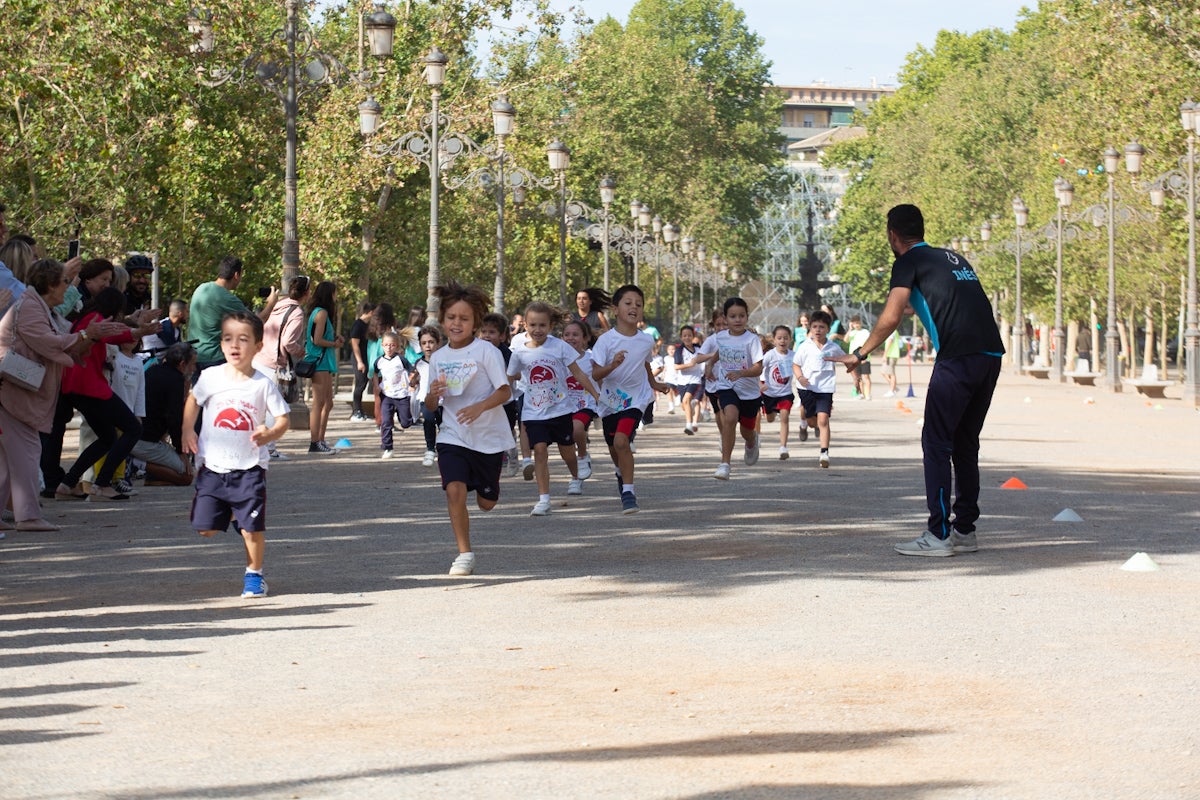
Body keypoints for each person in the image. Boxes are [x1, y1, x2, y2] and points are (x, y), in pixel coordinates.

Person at [828, 204, 1004, 557]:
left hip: (957, 359)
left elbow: (893, 315)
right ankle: (965, 531)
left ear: (893, 236)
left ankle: (938, 535)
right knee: (966, 444)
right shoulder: (954, 258)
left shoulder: (906, 262)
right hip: (990, 356)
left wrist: (859, 354)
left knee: (937, 444)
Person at [0, 259, 124, 531]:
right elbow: (48, 342)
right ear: (50, 285)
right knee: (27, 452)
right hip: (13, 391)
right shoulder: (32, 306)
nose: (69, 288)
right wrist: (84, 336)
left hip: (17, 391)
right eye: (65, 282)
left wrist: (89, 336)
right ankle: (28, 516)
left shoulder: (38, 305)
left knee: (10, 457)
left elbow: (63, 338)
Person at [183, 311, 291, 598]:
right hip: (213, 468)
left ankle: (254, 576)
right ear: (220, 344)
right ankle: (233, 515)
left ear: (257, 347)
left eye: (243, 339)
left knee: (252, 529)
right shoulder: (210, 377)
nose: (235, 345)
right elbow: (193, 401)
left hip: (250, 467)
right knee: (204, 528)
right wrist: (186, 430)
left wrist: (270, 434)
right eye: (228, 339)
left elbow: (283, 419)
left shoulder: (262, 383)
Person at [425, 281, 513, 577]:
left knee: (487, 504)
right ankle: (464, 554)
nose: (457, 323)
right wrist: (433, 395)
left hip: (488, 439)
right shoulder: (437, 358)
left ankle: (488, 481)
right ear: (442, 320)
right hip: (453, 434)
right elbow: (430, 405)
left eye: (464, 318)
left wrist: (479, 407)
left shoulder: (486, 351)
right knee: (454, 491)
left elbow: (505, 392)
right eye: (451, 318)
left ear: (475, 322)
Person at [50, 287, 157, 501]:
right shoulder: (96, 319)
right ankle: (101, 484)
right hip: (89, 386)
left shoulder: (87, 317)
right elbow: (115, 335)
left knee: (108, 437)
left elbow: (114, 332)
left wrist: (136, 326)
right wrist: (139, 331)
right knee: (133, 428)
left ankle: (67, 484)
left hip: (75, 386)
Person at [507, 302, 598, 516]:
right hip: (533, 411)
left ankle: (575, 476)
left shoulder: (559, 346)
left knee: (567, 451)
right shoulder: (519, 351)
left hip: (560, 410)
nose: (537, 330)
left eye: (542, 325)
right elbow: (509, 377)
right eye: (532, 325)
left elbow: (577, 373)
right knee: (540, 450)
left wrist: (595, 394)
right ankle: (543, 499)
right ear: (525, 326)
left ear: (550, 326)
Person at [590, 284, 670, 514]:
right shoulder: (606, 341)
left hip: (635, 400)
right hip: (610, 402)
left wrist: (654, 384)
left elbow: (644, 363)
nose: (634, 307)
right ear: (616, 309)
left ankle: (628, 492)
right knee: (614, 446)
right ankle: (620, 472)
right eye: (628, 303)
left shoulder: (646, 340)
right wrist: (612, 365)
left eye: (638, 304)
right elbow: (595, 375)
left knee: (622, 442)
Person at [699, 297, 764, 481]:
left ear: (747, 317)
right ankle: (725, 464)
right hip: (727, 386)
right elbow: (721, 351)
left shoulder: (752, 340)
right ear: (725, 318)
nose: (737, 320)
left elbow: (759, 368)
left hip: (749, 392)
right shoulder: (721, 336)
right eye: (733, 316)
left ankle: (752, 441)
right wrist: (710, 364)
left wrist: (741, 373)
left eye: (741, 316)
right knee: (730, 417)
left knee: (746, 431)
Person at [188, 255, 277, 373]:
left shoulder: (201, 288)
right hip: (213, 359)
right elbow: (255, 323)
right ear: (236, 275)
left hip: (193, 356)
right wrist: (271, 303)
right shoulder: (227, 298)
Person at [133, 342, 196, 486]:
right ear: (182, 364)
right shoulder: (176, 380)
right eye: (192, 364)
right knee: (186, 476)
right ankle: (135, 463)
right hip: (144, 440)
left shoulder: (153, 370)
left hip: (138, 433)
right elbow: (174, 418)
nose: (193, 369)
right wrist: (181, 451)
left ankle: (151, 476)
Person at [794, 310, 841, 468]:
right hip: (806, 387)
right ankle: (805, 425)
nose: (818, 330)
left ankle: (824, 453)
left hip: (825, 388)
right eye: (815, 326)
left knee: (823, 420)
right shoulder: (805, 346)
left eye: (822, 327)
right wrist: (800, 377)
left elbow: (846, 359)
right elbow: (796, 364)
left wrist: (856, 376)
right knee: (812, 421)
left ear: (828, 329)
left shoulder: (833, 347)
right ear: (810, 329)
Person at [304, 280, 343, 454]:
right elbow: (317, 340)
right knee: (319, 403)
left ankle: (320, 438)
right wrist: (333, 345)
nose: (336, 297)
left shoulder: (319, 313)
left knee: (328, 402)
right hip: (319, 361)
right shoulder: (321, 314)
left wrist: (335, 339)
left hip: (324, 361)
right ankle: (315, 442)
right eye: (334, 293)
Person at [479, 313, 519, 475]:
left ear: (502, 336)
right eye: (484, 332)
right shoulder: (478, 352)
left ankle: (512, 454)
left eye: (492, 332)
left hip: (506, 401)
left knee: (506, 430)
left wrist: (508, 376)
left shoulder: (506, 353)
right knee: (488, 431)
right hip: (486, 400)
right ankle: (493, 458)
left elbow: (516, 373)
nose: (487, 336)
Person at [561, 319, 599, 483]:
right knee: (567, 445)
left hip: (585, 404)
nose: (570, 338)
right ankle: (576, 478)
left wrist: (601, 399)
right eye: (566, 335)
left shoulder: (591, 358)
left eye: (575, 335)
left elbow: (601, 378)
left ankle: (582, 455)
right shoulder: (557, 358)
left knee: (577, 429)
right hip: (562, 406)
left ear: (585, 338)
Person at [375, 331, 413, 459]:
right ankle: (387, 447)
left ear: (396, 346)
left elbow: (412, 371)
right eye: (386, 345)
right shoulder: (379, 361)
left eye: (392, 345)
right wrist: (376, 385)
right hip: (387, 395)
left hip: (402, 394)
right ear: (382, 345)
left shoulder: (401, 360)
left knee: (406, 423)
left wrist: (412, 383)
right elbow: (374, 373)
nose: (388, 348)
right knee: (385, 422)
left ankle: (402, 415)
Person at [408, 325, 442, 468]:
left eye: (431, 342)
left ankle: (443, 449)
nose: (428, 346)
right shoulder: (419, 363)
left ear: (438, 343)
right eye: (424, 343)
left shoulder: (444, 360)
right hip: (424, 398)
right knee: (428, 422)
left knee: (444, 426)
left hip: (443, 401)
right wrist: (413, 381)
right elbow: (414, 379)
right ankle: (429, 449)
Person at [760, 325, 796, 460]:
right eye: (779, 338)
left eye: (786, 338)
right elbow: (757, 369)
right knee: (769, 419)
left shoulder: (793, 356)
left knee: (785, 417)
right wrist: (759, 384)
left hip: (785, 393)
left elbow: (801, 369)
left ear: (790, 340)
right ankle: (771, 412)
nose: (782, 341)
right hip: (769, 393)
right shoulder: (770, 355)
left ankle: (783, 447)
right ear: (774, 340)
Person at [673, 325, 705, 435]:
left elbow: (706, 358)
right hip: (682, 381)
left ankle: (689, 425)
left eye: (689, 335)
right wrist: (689, 364)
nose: (687, 338)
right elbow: (676, 367)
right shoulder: (679, 350)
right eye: (684, 336)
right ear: (681, 337)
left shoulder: (699, 349)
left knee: (686, 400)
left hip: (695, 380)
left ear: (693, 336)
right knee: (684, 405)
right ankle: (693, 413)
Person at [348, 301, 376, 422]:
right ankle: (356, 411)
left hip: (366, 358)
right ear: (371, 312)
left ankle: (361, 411)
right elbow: (354, 344)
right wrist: (359, 361)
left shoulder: (367, 325)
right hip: (358, 358)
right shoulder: (358, 325)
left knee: (363, 383)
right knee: (360, 384)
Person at [845, 315, 872, 400]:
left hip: (864, 358)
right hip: (854, 358)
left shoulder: (865, 332)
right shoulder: (852, 333)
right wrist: (850, 329)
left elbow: (869, 344)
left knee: (866, 377)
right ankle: (861, 394)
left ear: (861, 323)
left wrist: (865, 357)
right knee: (858, 377)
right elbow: (846, 340)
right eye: (855, 323)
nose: (857, 325)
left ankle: (868, 394)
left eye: (858, 323)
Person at [881, 329, 903, 397]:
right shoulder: (893, 331)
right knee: (883, 372)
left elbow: (890, 341)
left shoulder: (892, 331)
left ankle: (892, 390)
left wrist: (885, 354)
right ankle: (894, 387)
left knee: (891, 373)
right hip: (891, 355)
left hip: (891, 355)